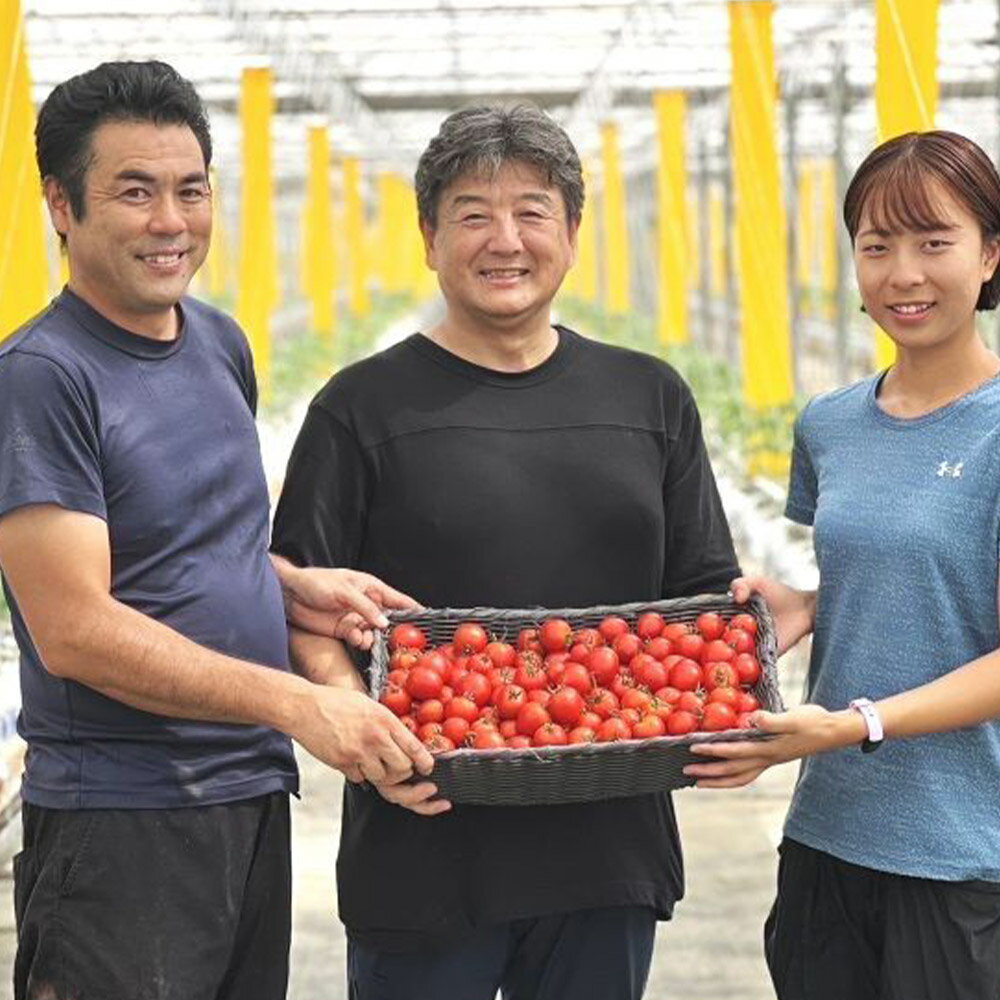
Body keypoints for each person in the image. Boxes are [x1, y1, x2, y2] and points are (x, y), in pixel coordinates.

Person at [271, 103, 741, 1000]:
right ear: (428, 238)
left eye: (532, 211)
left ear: (571, 231)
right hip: (424, 836)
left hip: (607, 845)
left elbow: (704, 603)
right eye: (473, 214)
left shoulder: (650, 398)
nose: (506, 240)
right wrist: (345, 710)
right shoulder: (360, 408)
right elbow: (299, 601)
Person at [0, 60, 431, 1000]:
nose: (170, 222)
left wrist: (284, 584)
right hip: (124, 823)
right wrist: (299, 703)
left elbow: (174, 547)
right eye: (134, 192)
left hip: (245, 800)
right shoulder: (41, 378)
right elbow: (73, 630)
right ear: (61, 205)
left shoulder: (217, 341)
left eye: (191, 190)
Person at [686, 130, 1000, 1000]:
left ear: (990, 254)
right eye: (877, 245)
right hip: (828, 836)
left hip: (962, 852)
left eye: (934, 242)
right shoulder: (831, 424)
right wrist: (811, 605)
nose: (904, 274)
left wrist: (853, 722)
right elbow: (922, 573)